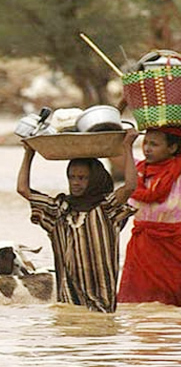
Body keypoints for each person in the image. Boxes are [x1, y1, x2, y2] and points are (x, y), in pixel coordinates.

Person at [16, 129, 139, 313]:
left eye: (82, 178)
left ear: (95, 179)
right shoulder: (60, 210)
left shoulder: (106, 209)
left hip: (102, 304)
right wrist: (29, 153)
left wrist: (127, 147)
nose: (75, 183)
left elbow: (129, 186)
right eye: (72, 177)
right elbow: (23, 189)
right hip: (69, 301)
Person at [118, 127, 181, 306]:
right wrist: (126, 144)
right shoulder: (137, 171)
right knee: (137, 305)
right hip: (142, 247)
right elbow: (112, 153)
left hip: (174, 247)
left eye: (154, 144)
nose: (147, 148)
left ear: (172, 148)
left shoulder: (178, 171)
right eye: (145, 143)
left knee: (173, 305)